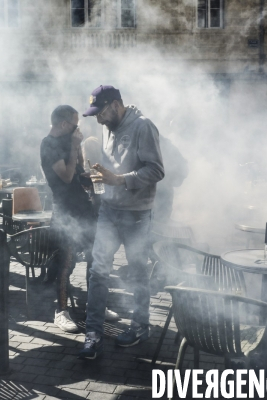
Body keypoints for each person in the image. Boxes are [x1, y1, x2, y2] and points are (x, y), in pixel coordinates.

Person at [79, 85, 164, 360]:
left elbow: (156, 169)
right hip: (109, 210)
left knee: (137, 270)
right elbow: (110, 167)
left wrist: (120, 179)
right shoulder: (107, 128)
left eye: (101, 113)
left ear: (115, 105)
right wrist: (99, 179)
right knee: (98, 270)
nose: (98, 120)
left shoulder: (143, 126)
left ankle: (140, 326)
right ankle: (93, 333)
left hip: (137, 214)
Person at [40, 105, 95, 332]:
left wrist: (92, 175)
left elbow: (78, 172)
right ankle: (61, 312)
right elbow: (65, 176)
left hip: (84, 208)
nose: (77, 129)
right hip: (65, 211)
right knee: (66, 262)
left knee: (96, 256)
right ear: (64, 125)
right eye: (75, 125)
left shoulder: (69, 141)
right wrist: (74, 146)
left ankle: (95, 303)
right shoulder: (49, 144)